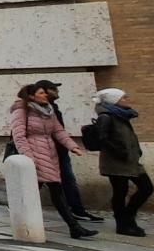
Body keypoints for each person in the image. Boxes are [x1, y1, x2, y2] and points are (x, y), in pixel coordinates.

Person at [10, 84, 97, 239]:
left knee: (51, 190)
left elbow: (58, 131)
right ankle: (72, 227)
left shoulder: (48, 111)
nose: (45, 95)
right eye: (41, 93)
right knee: (52, 190)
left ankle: (73, 228)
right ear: (31, 96)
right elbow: (19, 137)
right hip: (34, 155)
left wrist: (73, 146)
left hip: (50, 154)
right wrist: (29, 158)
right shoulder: (22, 111)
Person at [36, 79, 105, 223]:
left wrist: (71, 146)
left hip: (60, 152)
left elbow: (59, 131)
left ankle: (76, 213)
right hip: (45, 153)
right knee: (45, 184)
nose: (57, 91)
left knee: (66, 182)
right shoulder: (35, 110)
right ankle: (20, 205)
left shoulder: (53, 108)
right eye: (53, 89)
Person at [94, 88, 154, 237]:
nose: (127, 100)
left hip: (130, 160)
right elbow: (102, 138)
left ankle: (129, 217)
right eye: (123, 98)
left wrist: (136, 150)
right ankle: (122, 224)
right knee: (120, 192)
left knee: (147, 188)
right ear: (114, 101)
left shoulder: (121, 115)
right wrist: (119, 151)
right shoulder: (106, 117)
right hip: (115, 161)